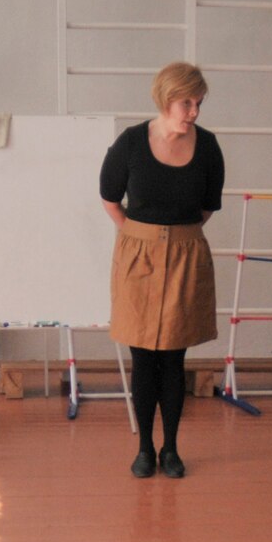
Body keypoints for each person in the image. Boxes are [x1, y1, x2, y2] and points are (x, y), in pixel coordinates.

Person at [100, 62, 225, 480]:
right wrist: (141, 237)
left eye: (199, 103)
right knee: (142, 357)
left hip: (186, 257)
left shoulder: (208, 146)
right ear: (165, 99)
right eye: (187, 102)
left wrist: (175, 240)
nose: (194, 111)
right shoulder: (131, 142)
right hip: (138, 258)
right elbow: (110, 198)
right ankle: (144, 449)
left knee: (173, 357)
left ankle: (170, 448)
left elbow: (206, 207)